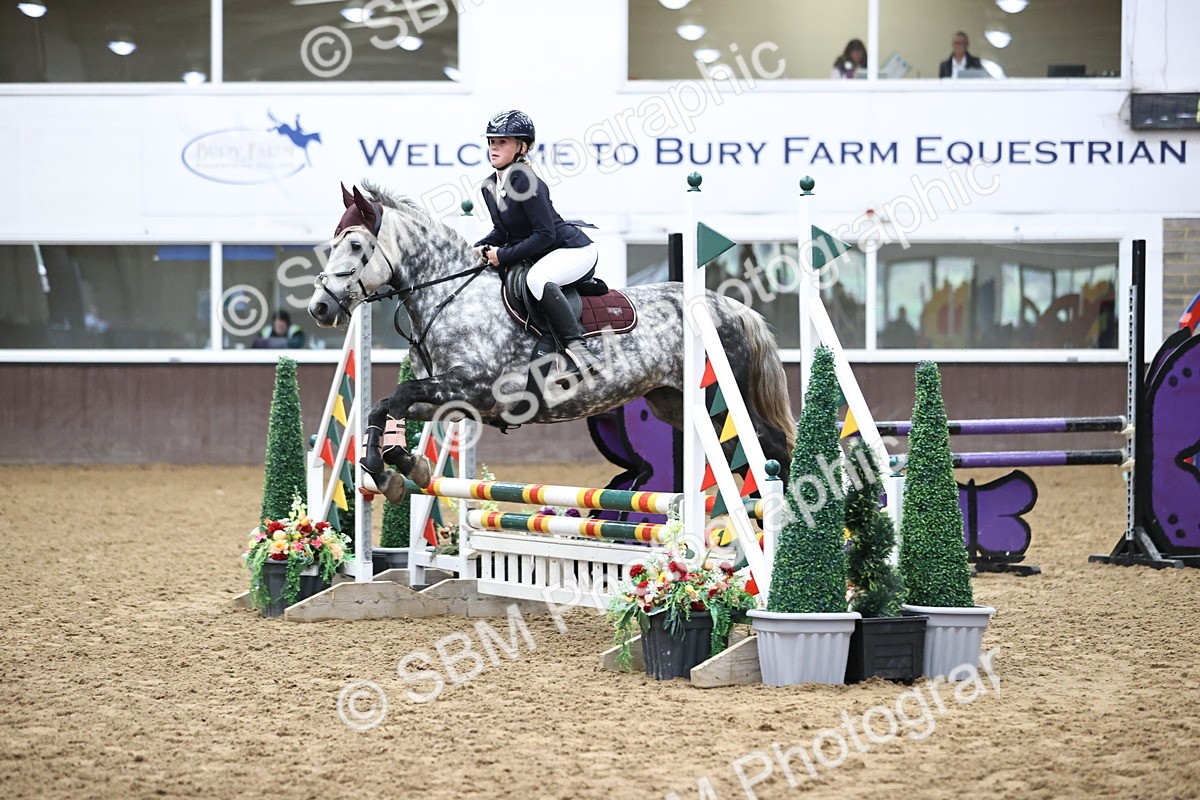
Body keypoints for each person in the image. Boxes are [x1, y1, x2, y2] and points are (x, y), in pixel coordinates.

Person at [472, 109, 601, 383]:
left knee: (538, 279)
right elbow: (502, 230)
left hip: (573, 250)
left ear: (523, 147)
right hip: (547, 252)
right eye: (491, 141)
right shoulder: (489, 186)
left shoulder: (528, 182)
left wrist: (503, 255)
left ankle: (580, 349)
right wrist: (482, 246)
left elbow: (544, 234)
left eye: (502, 142)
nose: (494, 147)